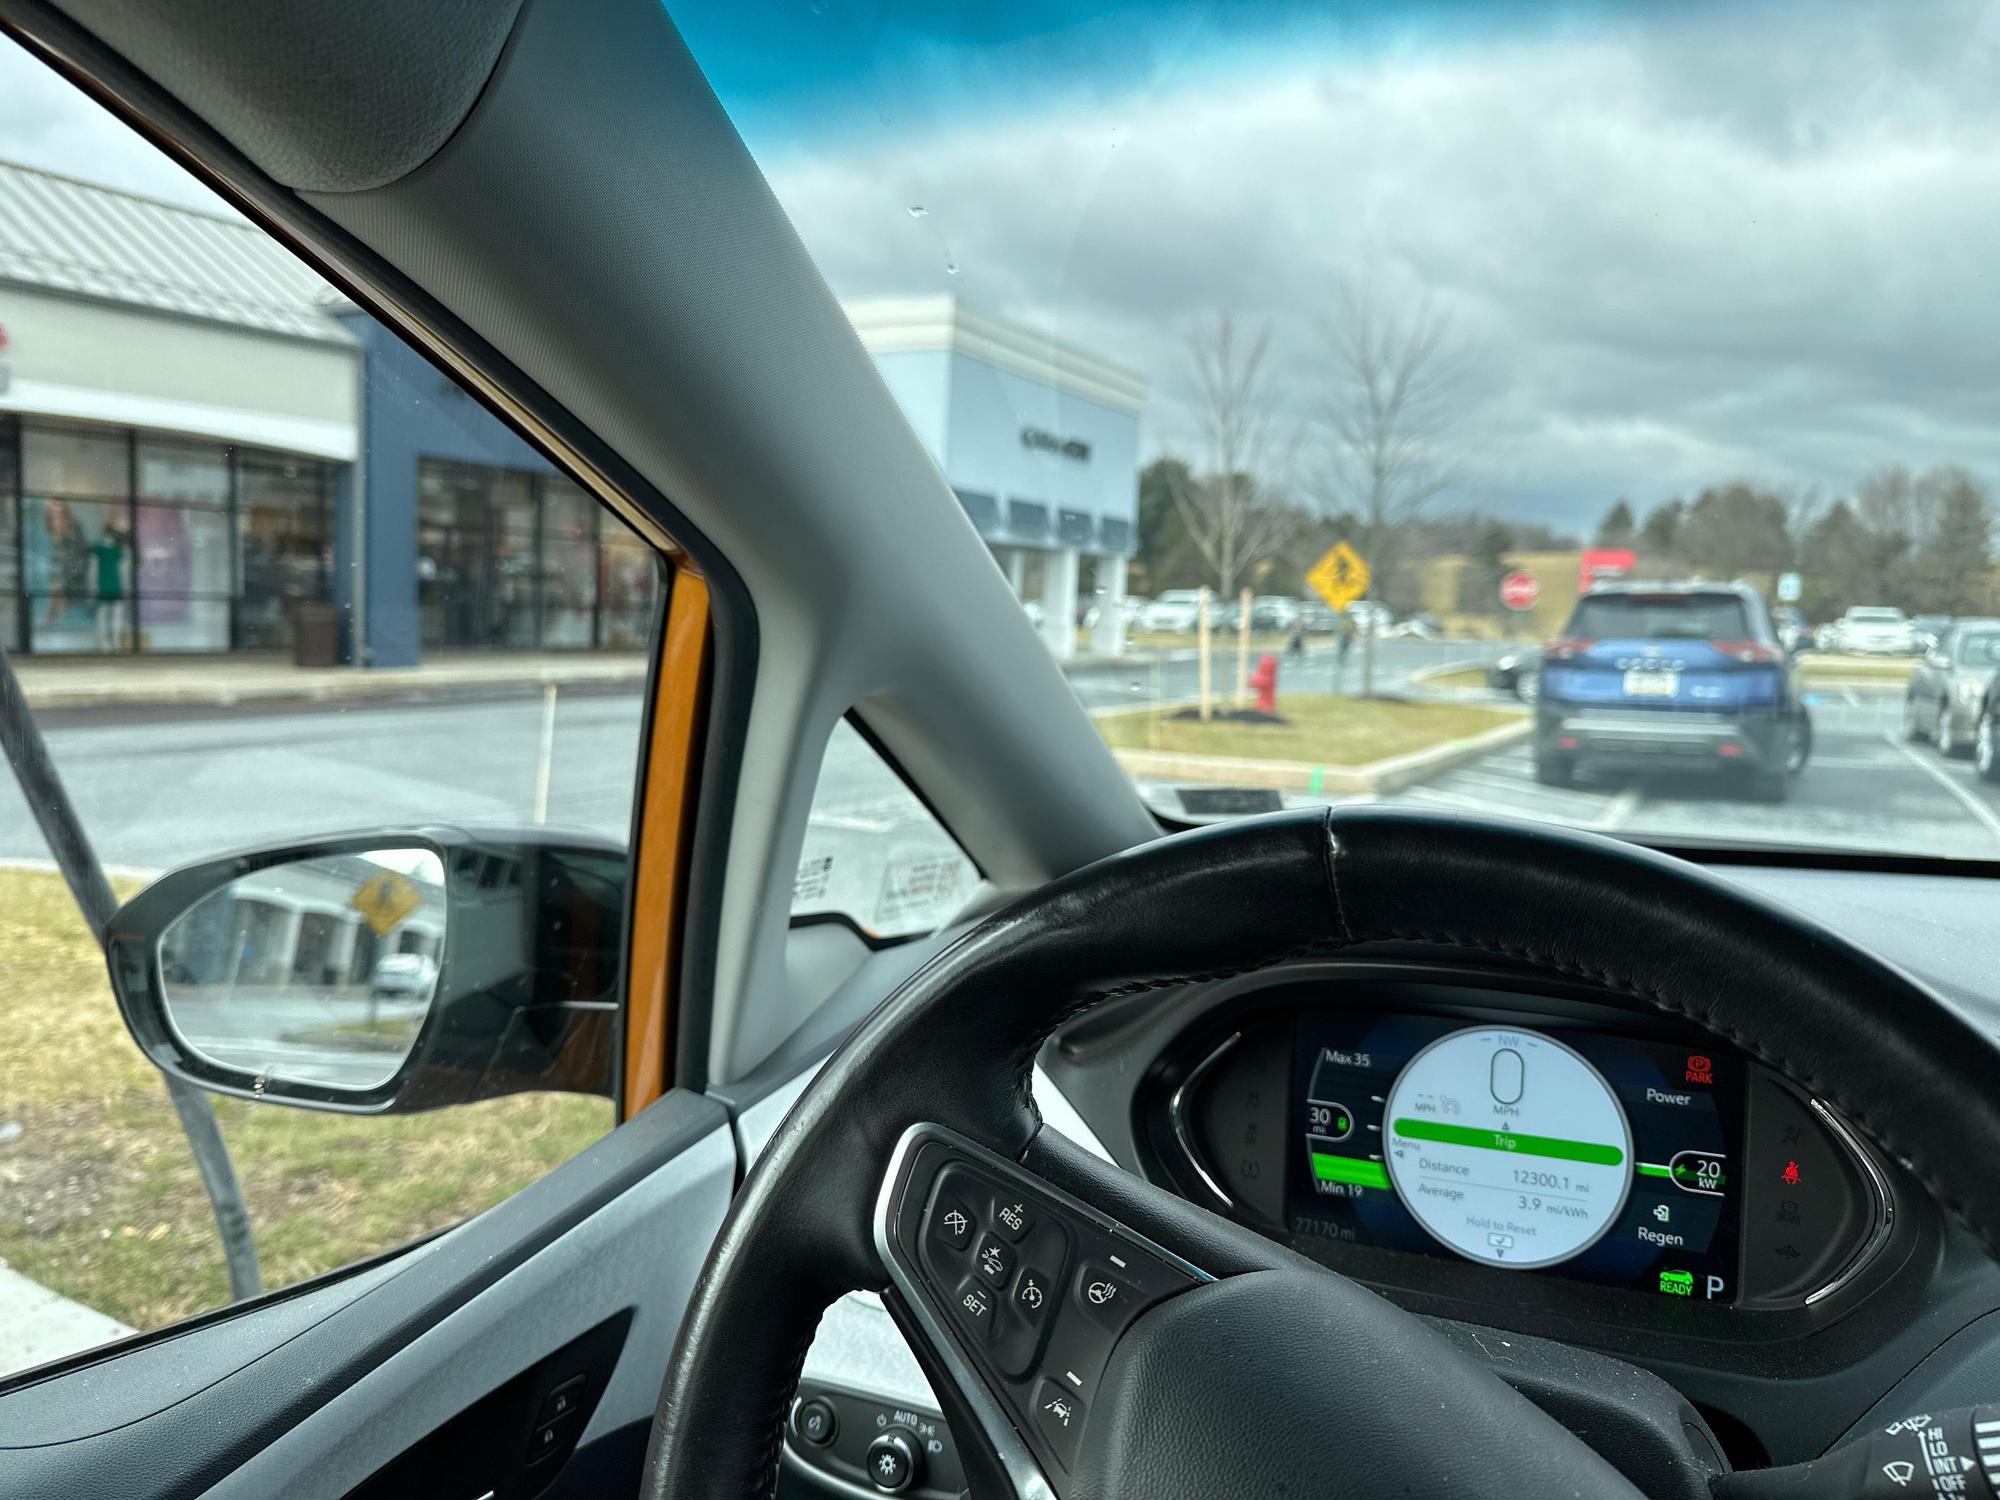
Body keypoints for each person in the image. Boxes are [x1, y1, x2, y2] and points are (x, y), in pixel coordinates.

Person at [90, 518, 129, 652]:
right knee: (111, 617)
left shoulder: (101, 550)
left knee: (105, 617)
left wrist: (93, 586)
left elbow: (93, 571)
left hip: (107, 587)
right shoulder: (109, 550)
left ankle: (108, 643)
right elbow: (123, 571)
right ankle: (110, 643)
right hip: (111, 587)